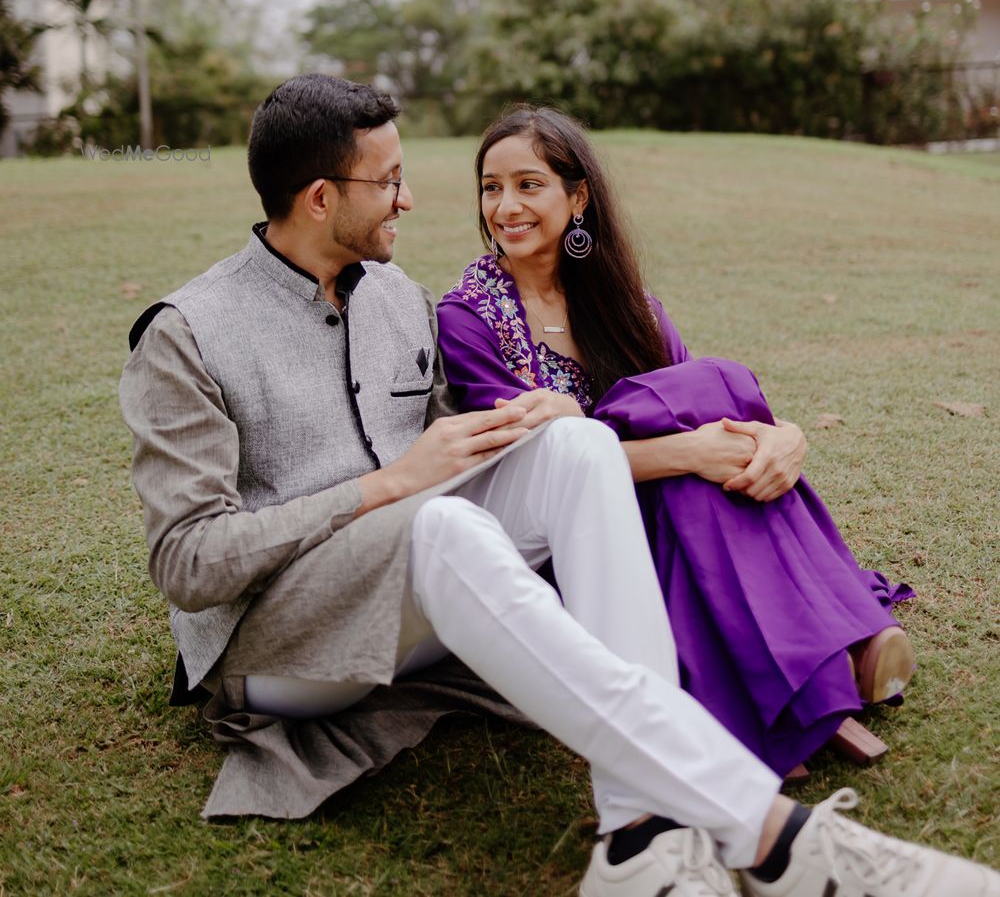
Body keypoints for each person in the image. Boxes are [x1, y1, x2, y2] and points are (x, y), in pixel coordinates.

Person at [120, 75, 998, 897]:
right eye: (389, 181)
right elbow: (188, 564)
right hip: (282, 652)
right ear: (322, 197)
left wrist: (534, 425)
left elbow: (459, 447)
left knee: (574, 444)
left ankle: (637, 838)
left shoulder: (393, 299)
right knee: (449, 532)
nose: (410, 199)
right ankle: (771, 834)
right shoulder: (188, 334)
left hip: (409, 598)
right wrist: (391, 485)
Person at [438, 105, 918, 779]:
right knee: (687, 448)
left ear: (578, 197)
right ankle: (838, 649)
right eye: (491, 187)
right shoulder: (468, 318)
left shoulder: (625, 300)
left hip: (670, 507)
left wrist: (785, 438)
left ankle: (808, 665)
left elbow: (700, 411)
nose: (506, 206)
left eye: (528, 184)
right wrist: (690, 454)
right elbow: (532, 469)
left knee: (705, 385)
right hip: (568, 542)